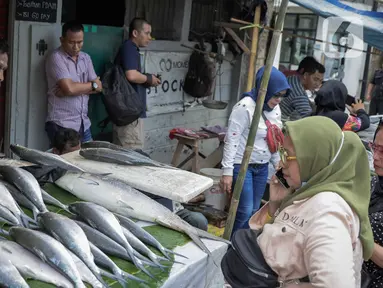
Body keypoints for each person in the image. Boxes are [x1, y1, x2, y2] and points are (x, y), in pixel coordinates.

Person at [221, 116, 373, 287]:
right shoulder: (306, 193)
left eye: (288, 155)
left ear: (315, 158)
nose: (281, 163)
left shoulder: (328, 212)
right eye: (281, 153)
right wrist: (275, 204)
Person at [220, 66, 290, 236]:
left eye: (282, 96)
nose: (279, 100)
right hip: (243, 165)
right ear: (265, 90)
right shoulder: (244, 107)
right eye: (276, 94)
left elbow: (274, 141)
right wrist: (227, 171)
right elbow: (232, 140)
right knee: (243, 210)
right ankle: (232, 244)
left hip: (262, 166)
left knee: (254, 211)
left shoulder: (276, 110)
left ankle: (243, 244)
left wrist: (279, 166)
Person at [45, 21, 102, 146]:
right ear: (62, 40)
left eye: (80, 42)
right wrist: (91, 85)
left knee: (87, 162)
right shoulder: (56, 57)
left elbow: (99, 87)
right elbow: (70, 88)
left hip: (84, 123)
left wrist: (70, 90)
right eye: (71, 42)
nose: (76, 47)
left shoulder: (86, 58)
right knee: (65, 163)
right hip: (62, 125)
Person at [113, 18, 161, 150]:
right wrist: (149, 79)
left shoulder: (130, 48)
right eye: (147, 33)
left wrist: (147, 79)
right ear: (135, 33)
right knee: (131, 155)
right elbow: (131, 75)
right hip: (130, 116)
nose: (150, 37)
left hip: (128, 114)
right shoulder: (129, 48)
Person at [364, 120, 383, 287]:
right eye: (374, 147)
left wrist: (357, 231)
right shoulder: (373, 183)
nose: (375, 157)